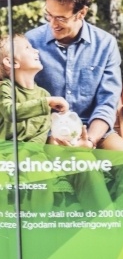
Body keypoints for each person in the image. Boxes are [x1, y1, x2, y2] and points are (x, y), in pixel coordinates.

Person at [0, 34, 111, 210]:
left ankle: (107, 222)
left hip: (38, 152)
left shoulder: (43, 94)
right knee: (40, 176)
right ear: (11, 62)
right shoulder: (5, 89)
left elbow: (44, 133)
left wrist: (67, 143)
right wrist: (47, 104)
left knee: (83, 162)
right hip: (9, 153)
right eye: (28, 48)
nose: (36, 50)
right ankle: (38, 231)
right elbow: (8, 111)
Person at [27, 0, 123, 152]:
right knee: (85, 170)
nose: (53, 24)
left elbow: (107, 103)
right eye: (49, 15)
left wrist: (89, 140)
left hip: (95, 132)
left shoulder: (105, 44)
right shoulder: (30, 42)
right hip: (48, 133)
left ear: (82, 13)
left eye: (61, 18)